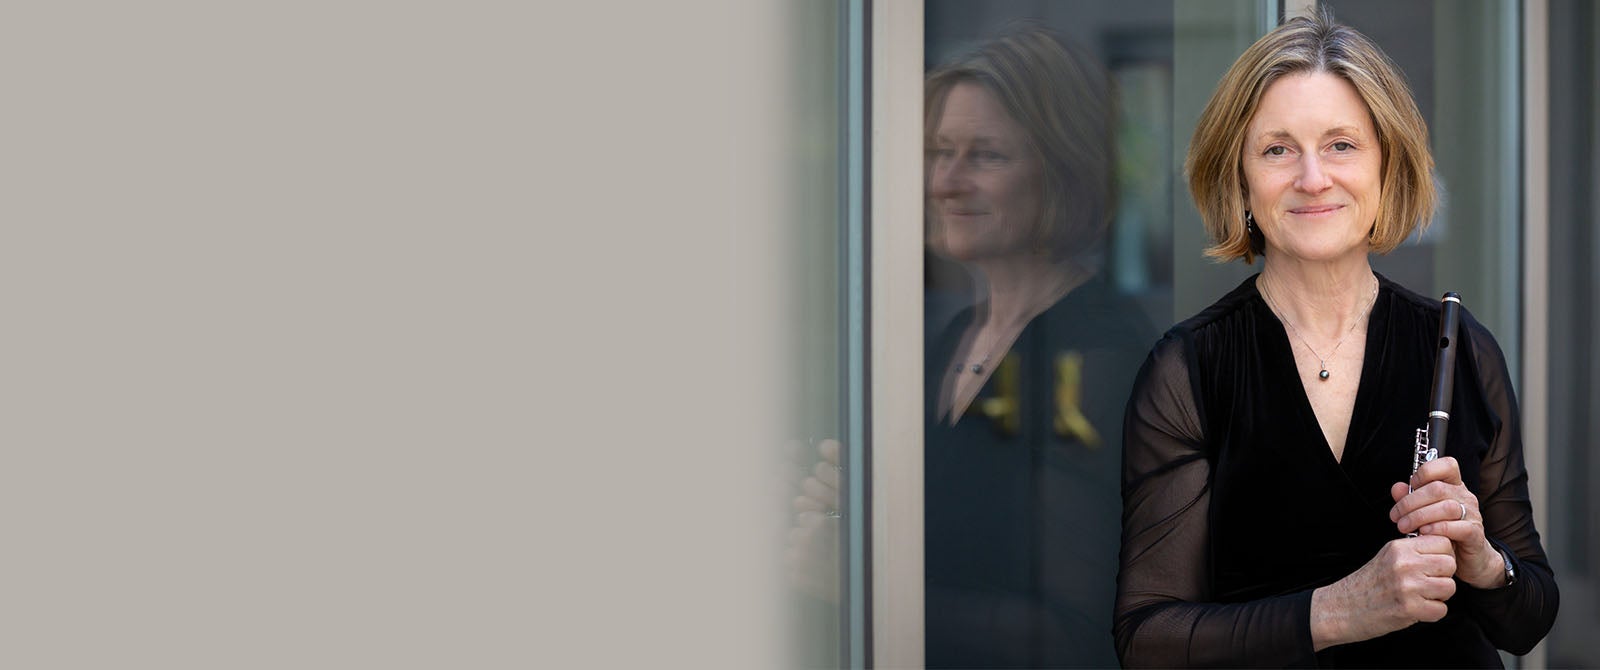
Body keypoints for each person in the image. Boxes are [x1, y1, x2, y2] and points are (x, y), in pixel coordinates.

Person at [1115, 11, 1558, 667]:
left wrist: (1483, 560)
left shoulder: (1463, 347)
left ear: (1386, 166)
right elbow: (1147, 640)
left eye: (1341, 145)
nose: (1312, 178)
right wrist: (1340, 611)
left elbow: (1529, 621)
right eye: (1277, 150)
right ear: (1240, 179)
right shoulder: (1188, 368)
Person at [921, 25, 1154, 667]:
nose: (945, 182)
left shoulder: (1099, 354)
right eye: (940, 152)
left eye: (985, 156)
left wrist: (866, 586)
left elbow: (1070, 636)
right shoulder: (955, 336)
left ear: (1061, 173)